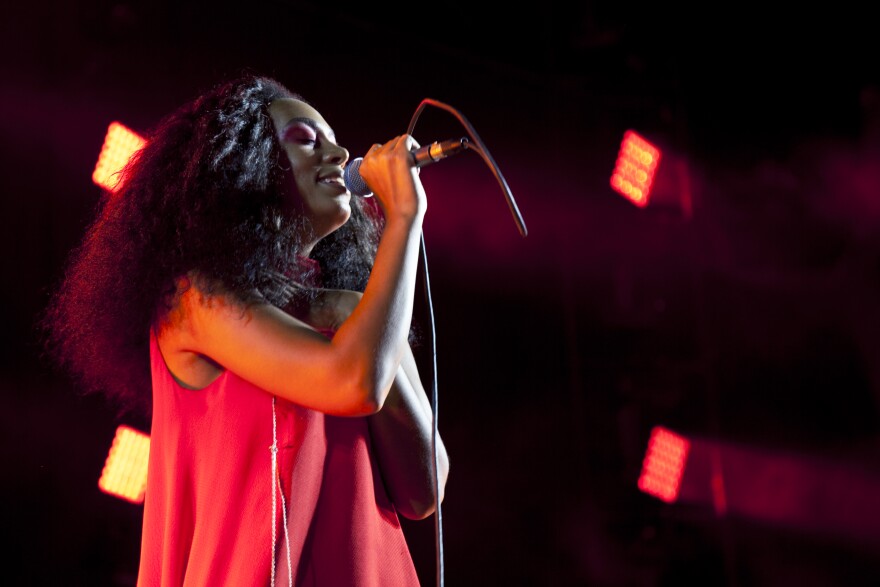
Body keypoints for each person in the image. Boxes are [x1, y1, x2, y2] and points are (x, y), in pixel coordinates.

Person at [41, 73, 449, 586]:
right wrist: (405, 220)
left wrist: (354, 310)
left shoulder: (355, 318)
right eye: (305, 139)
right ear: (245, 165)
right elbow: (354, 381)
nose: (339, 153)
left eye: (333, 140)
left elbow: (424, 489)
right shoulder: (193, 298)